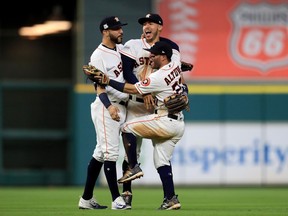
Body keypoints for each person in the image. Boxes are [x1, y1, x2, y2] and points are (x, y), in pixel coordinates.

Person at [95, 41, 186, 210]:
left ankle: (133, 166)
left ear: (164, 56)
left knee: (126, 127)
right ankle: (171, 199)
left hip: (164, 120)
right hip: (179, 124)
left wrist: (108, 81)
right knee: (161, 161)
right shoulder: (176, 63)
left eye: (154, 55)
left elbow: (132, 89)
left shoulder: (158, 77)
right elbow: (177, 57)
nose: (150, 57)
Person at [118, 13, 189, 209]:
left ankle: (137, 175)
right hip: (138, 102)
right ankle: (129, 195)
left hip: (160, 107)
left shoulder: (171, 47)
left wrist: (184, 90)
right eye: (144, 24)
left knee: (128, 132)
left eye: (150, 23)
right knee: (134, 153)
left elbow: (178, 77)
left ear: (160, 27)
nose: (146, 26)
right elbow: (126, 72)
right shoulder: (133, 45)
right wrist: (144, 91)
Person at [78, 16, 130, 210]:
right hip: (106, 106)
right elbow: (99, 88)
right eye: (116, 29)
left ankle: (86, 200)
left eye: (121, 28)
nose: (121, 31)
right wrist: (109, 107)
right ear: (105, 31)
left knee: (100, 153)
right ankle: (117, 200)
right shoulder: (98, 56)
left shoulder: (118, 50)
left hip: (121, 104)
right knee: (110, 153)